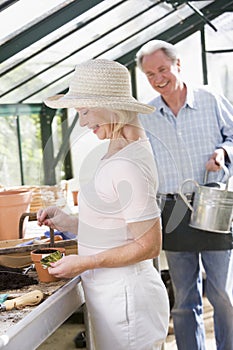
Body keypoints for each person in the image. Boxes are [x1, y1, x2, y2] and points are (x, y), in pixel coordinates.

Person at [37, 59, 170, 350]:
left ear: (110, 105)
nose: (83, 122)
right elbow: (117, 225)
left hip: (127, 302)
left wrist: (83, 263)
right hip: (114, 299)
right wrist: (69, 222)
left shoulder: (126, 163)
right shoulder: (120, 146)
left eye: (84, 111)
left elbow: (149, 245)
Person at [136, 40, 233, 350]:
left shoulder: (210, 99)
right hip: (172, 209)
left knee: (223, 294)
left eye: (162, 69)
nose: (158, 78)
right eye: (150, 74)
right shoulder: (147, 115)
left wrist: (223, 151)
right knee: (183, 297)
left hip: (213, 205)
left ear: (178, 65)